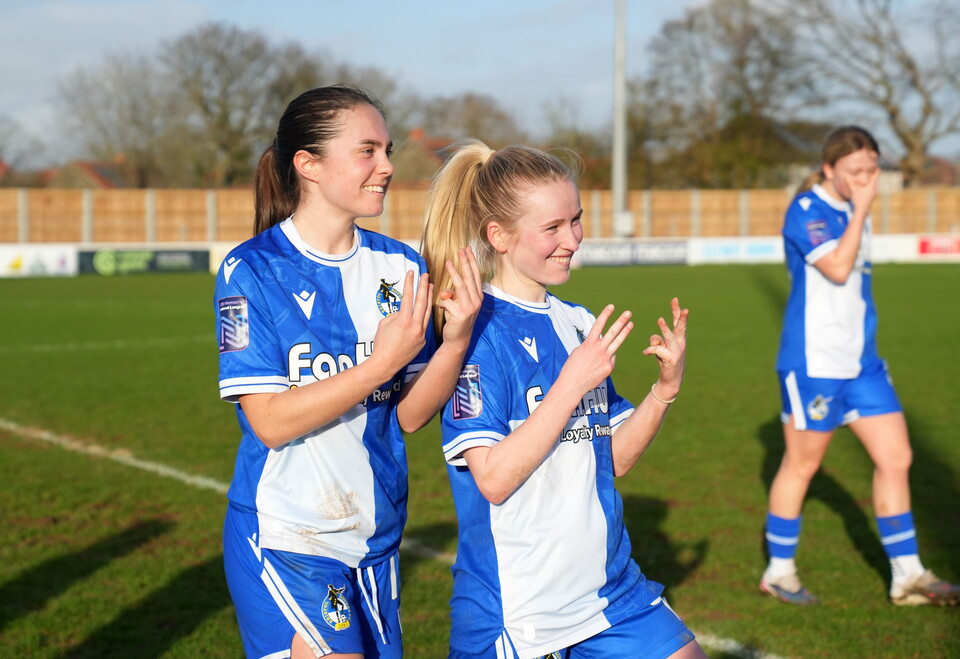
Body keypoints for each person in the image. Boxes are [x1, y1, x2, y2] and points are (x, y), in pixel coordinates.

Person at [214, 85, 482, 658]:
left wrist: (455, 340)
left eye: (385, 150)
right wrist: (377, 365)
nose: (386, 167)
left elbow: (410, 415)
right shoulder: (251, 271)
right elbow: (268, 422)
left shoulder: (400, 265)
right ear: (308, 165)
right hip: (291, 535)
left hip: (376, 537)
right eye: (368, 151)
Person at [421, 140, 706, 659]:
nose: (572, 239)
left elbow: (614, 457)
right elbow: (493, 478)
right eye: (551, 228)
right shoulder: (475, 334)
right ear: (498, 236)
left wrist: (663, 392)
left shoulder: (575, 321)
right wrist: (571, 384)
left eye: (575, 220)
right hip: (519, 613)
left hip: (610, 592)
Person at [760, 125, 960, 607]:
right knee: (803, 465)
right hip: (814, 364)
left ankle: (907, 575)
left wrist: (860, 206)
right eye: (856, 171)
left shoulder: (853, 210)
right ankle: (779, 572)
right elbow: (836, 268)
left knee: (897, 459)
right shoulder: (808, 210)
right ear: (829, 169)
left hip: (863, 364)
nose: (867, 179)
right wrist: (865, 206)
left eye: (872, 170)